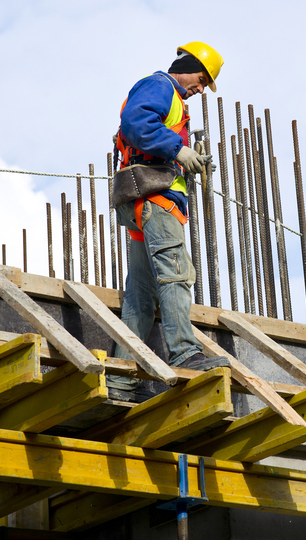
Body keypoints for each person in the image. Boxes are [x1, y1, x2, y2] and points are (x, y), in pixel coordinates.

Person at [108, 42, 228, 399]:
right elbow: (136, 123)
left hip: (144, 202)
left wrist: (183, 155)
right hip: (156, 201)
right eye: (202, 79)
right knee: (176, 274)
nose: (201, 88)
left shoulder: (173, 100)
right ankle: (186, 352)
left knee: (141, 296)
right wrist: (179, 150)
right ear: (186, 65)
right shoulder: (161, 86)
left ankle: (120, 378)